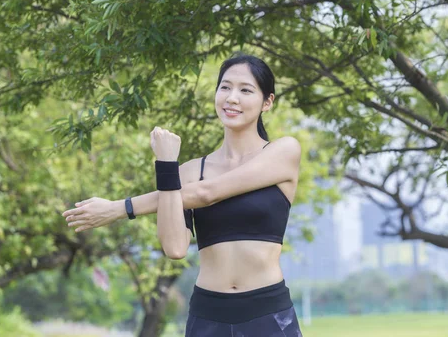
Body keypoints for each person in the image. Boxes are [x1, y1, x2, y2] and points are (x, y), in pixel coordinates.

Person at [62, 54, 303, 336]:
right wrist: (166, 165)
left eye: (245, 90)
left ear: (267, 102)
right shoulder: (191, 172)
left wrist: (120, 208)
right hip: (208, 314)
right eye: (224, 87)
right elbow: (175, 248)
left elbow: (207, 193)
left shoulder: (283, 152)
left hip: (268, 313)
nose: (232, 98)